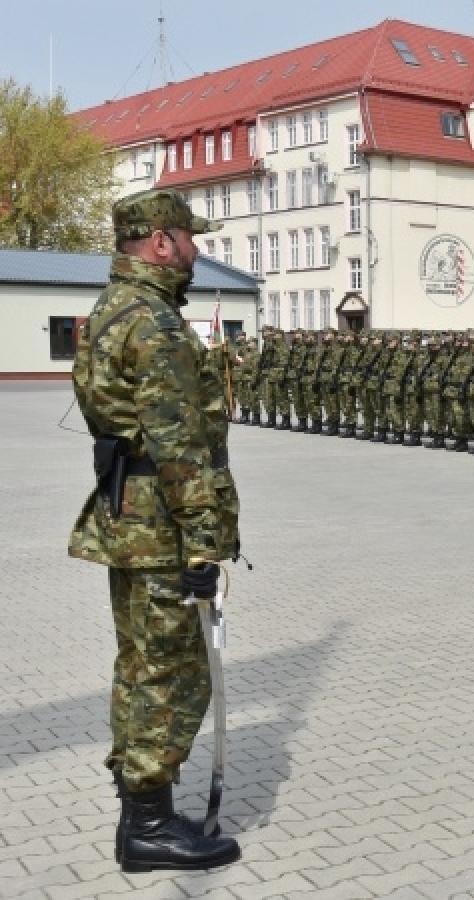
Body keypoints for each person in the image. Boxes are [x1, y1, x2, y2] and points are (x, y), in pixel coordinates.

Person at [68, 189, 241, 872]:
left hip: (133, 520)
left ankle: (142, 808)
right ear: (162, 242)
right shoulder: (155, 325)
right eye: (190, 239)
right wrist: (204, 540)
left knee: (142, 666)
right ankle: (148, 826)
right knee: (172, 675)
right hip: (163, 527)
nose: (197, 250)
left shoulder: (115, 309)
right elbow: (180, 445)